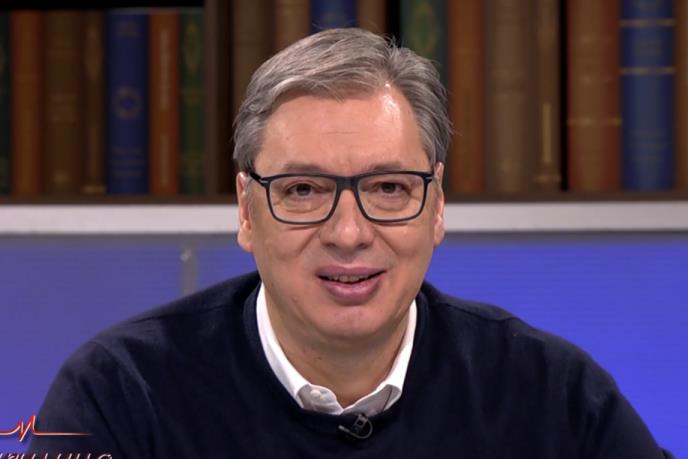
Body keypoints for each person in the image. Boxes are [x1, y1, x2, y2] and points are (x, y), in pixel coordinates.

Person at [30, 28, 671, 458]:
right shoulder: (118, 395)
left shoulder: (553, 396)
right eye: (303, 190)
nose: (348, 233)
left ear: (437, 207)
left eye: (389, 188)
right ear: (247, 211)